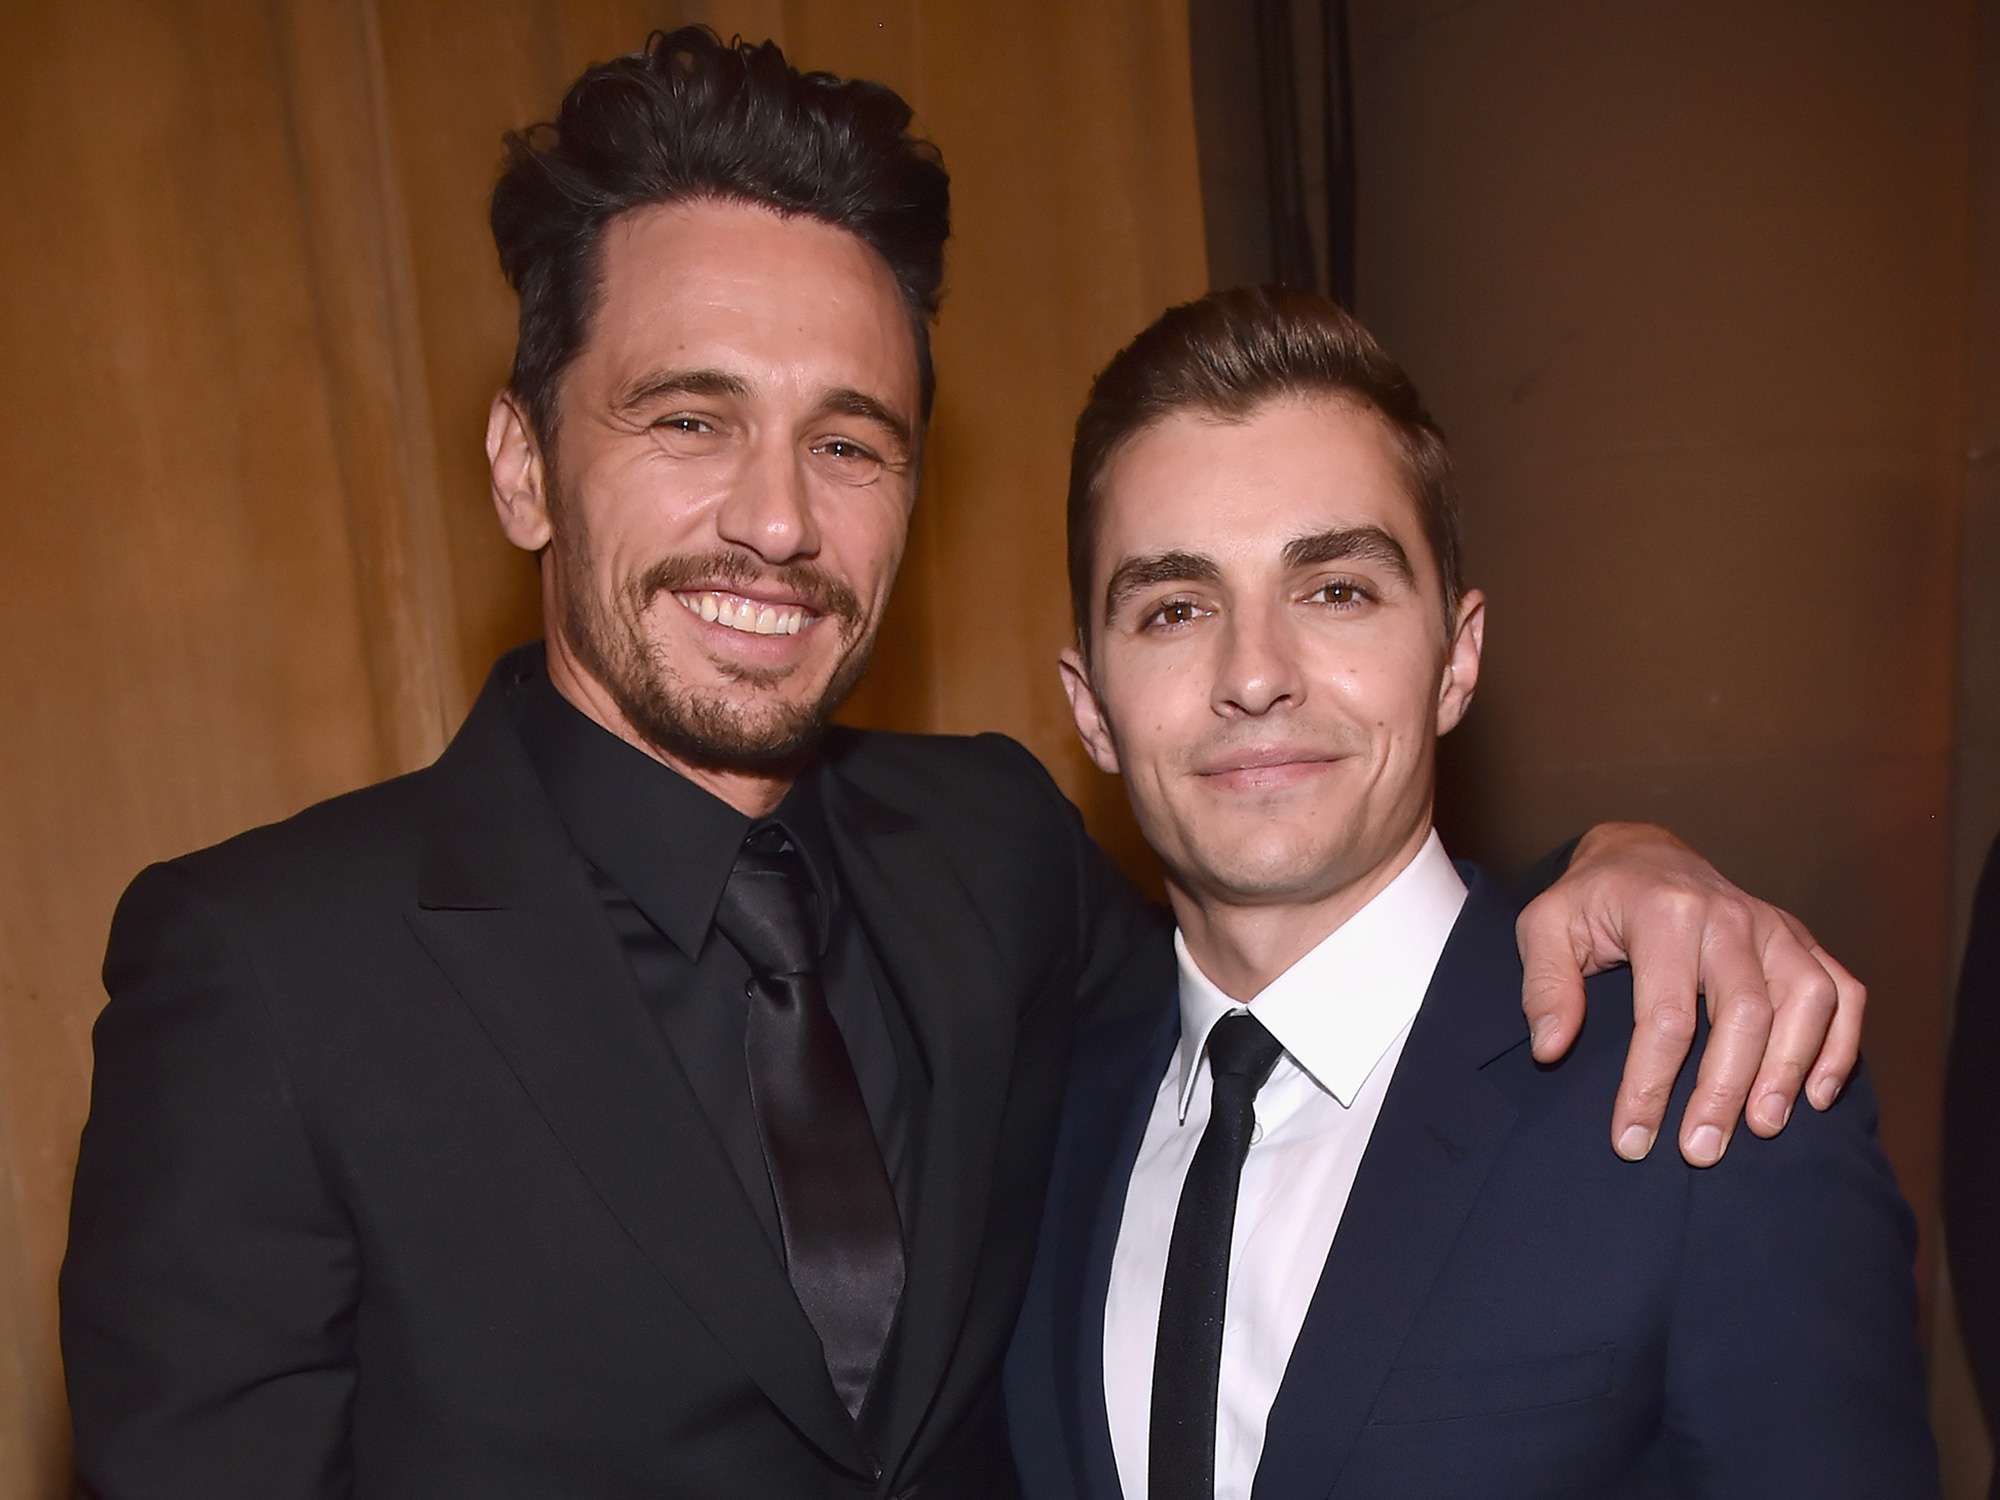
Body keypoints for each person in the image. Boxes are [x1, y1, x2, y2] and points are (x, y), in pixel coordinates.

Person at [62, 31, 1863, 1500]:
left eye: (851, 443)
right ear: (526, 465)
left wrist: (1628, 865)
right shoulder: (271, 976)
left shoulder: (990, 854)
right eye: (690, 419)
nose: (776, 519)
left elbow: (1322, 911)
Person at [1004, 286, 1938, 1499]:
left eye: (1334, 589)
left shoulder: (1710, 1093)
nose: (1252, 674)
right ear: (1090, 710)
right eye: (1174, 608)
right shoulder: (1039, 1114)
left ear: (1457, 656)